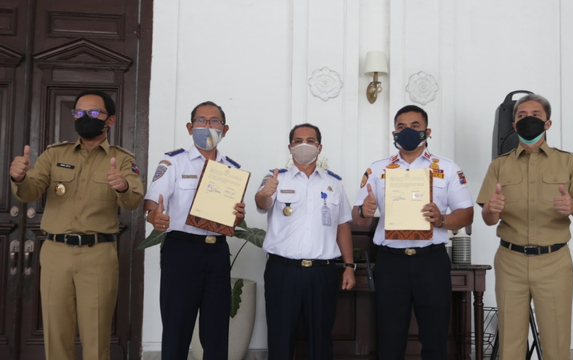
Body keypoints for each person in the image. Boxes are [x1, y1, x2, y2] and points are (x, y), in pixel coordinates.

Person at [9, 90, 144, 360]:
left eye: (93, 113)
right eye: (79, 113)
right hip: (56, 253)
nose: (85, 118)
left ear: (111, 120)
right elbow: (30, 192)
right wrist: (20, 178)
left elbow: (133, 201)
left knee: (96, 337)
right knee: (56, 335)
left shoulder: (123, 159)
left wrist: (123, 185)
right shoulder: (53, 154)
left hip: (98, 255)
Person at [477, 93, 573, 360]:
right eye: (522, 116)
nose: (528, 120)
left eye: (535, 116)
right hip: (510, 261)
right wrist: (490, 210)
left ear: (548, 123)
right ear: (513, 125)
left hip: (554, 262)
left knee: (556, 342)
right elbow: (488, 218)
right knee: (510, 343)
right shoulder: (499, 165)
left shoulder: (569, 162)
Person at [352, 105, 473, 360]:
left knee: (435, 336)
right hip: (390, 262)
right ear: (393, 133)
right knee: (389, 336)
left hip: (431, 260)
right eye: (401, 127)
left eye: (414, 126)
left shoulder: (447, 168)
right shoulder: (377, 169)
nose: (407, 131)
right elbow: (359, 221)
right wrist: (364, 211)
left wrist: (442, 220)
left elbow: (466, 214)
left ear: (427, 131)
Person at [143, 101, 245, 360]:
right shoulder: (173, 161)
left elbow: (232, 218)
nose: (207, 126)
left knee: (216, 330)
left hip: (217, 253)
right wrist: (154, 217)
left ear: (225, 129)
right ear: (190, 128)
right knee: (177, 329)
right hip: (181, 251)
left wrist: (237, 216)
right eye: (201, 121)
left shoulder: (231, 169)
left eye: (214, 121)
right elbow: (153, 204)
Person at [255, 123, 355, 360]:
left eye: (310, 141)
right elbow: (261, 204)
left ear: (319, 148)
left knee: (320, 339)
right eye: (298, 140)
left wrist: (349, 266)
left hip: (323, 273)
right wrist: (265, 192)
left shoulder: (333, 183)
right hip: (282, 271)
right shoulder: (275, 179)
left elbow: (343, 225)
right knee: (280, 338)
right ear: (290, 147)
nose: (304, 145)